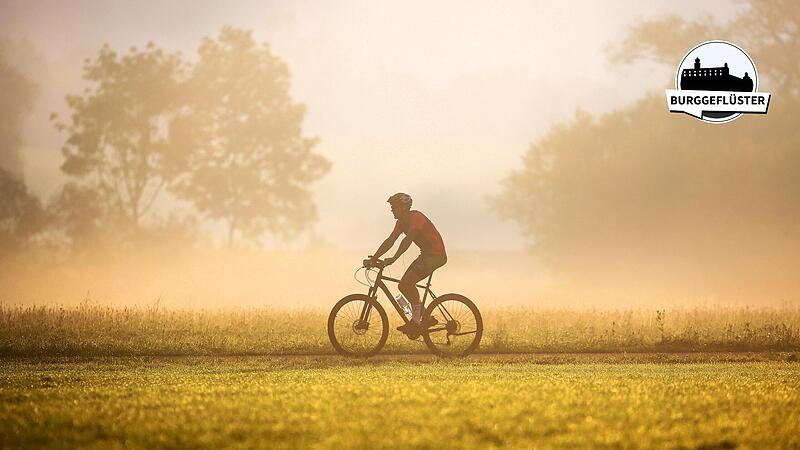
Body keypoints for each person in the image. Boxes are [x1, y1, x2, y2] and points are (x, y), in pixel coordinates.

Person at [365, 192, 447, 334]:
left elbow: (408, 239)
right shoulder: (400, 223)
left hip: (436, 255)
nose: (392, 210)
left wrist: (394, 258)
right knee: (403, 285)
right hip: (426, 255)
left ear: (404, 207)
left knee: (407, 283)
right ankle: (426, 317)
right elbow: (390, 241)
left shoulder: (416, 217)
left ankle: (416, 322)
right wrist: (374, 258)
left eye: (394, 207)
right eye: (391, 207)